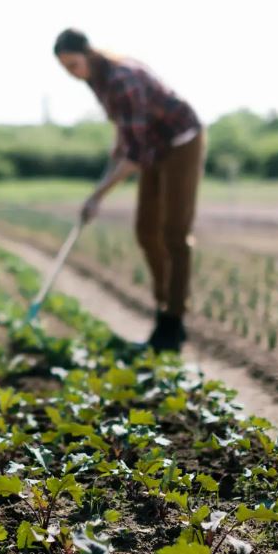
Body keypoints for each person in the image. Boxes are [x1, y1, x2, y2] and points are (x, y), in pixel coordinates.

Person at [54, 28, 204, 353]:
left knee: (174, 234)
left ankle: (172, 322)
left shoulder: (123, 78)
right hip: (153, 147)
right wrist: (108, 168)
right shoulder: (96, 80)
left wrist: (97, 196)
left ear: (88, 53)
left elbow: (134, 156)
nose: (71, 73)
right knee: (146, 232)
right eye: (65, 68)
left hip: (181, 142)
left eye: (73, 64)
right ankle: (163, 305)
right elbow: (126, 135)